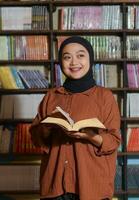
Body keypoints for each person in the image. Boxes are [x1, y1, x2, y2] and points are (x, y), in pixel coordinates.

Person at [30, 36, 121, 200]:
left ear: (90, 59)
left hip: (91, 186)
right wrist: (47, 126)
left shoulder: (104, 96)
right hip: (55, 184)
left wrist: (92, 137)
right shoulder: (51, 96)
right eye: (67, 57)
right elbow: (37, 139)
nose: (73, 62)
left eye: (80, 55)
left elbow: (113, 140)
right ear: (60, 62)